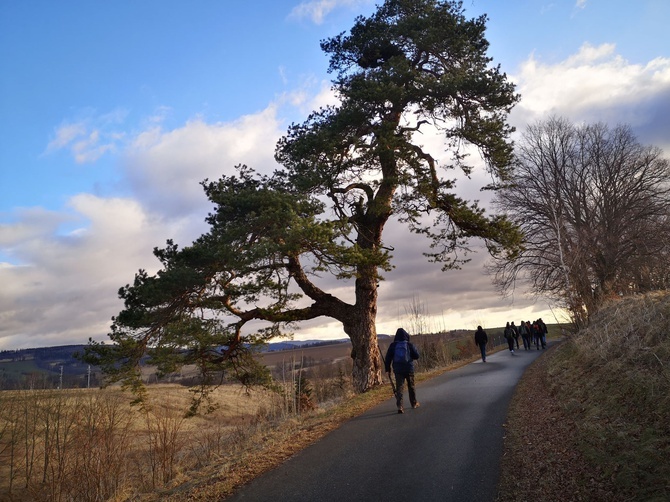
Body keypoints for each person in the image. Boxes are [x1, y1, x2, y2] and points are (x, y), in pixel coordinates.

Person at [384, 328, 420, 414]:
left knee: (399, 387)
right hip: (409, 368)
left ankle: (400, 406)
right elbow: (417, 356)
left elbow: (388, 358)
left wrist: (387, 369)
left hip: (398, 370)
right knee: (411, 386)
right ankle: (414, 403)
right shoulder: (409, 345)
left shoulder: (393, 345)